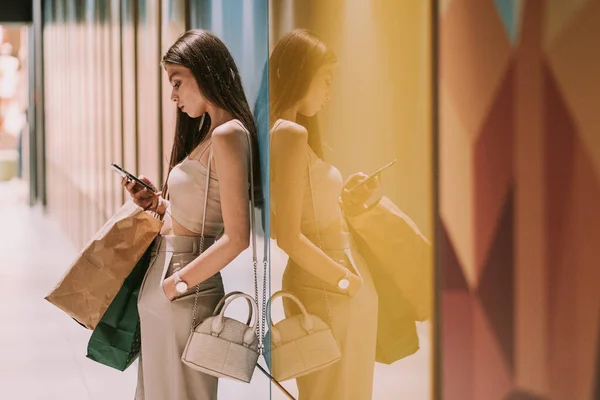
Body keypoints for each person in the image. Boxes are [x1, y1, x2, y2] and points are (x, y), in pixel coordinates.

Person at [123, 29, 262, 400]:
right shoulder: (209, 133)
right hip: (169, 277)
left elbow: (237, 236)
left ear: (205, 72)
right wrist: (157, 205)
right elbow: (199, 209)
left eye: (177, 82)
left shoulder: (229, 135)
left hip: (183, 284)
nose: (174, 96)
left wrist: (176, 284)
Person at [269, 29, 379, 399]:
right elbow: (286, 234)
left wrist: (344, 197)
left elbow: (303, 212)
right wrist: (346, 281)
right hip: (328, 282)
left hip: (328, 279)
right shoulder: (288, 134)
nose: (329, 92)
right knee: (337, 392)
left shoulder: (290, 133)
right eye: (326, 80)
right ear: (300, 73)